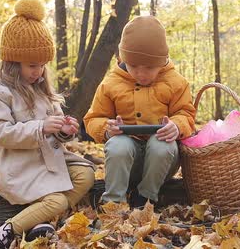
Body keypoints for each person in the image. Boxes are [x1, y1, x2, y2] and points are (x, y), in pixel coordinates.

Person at [0, 0, 95, 248]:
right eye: (33, 65)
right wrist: (40, 127)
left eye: (43, 65)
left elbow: (53, 133)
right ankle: (3, 233)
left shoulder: (42, 89)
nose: (39, 72)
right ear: (12, 62)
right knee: (56, 200)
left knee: (85, 175)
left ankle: (43, 222)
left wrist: (63, 132)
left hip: (48, 160)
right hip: (18, 165)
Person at [84, 16, 196, 207]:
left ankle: (146, 197)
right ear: (122, 58)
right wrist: (107, 128)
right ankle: (113, 202)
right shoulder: (111, 83)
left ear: (162, 62)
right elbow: (93, 118)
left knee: (162, 144)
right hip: (126, 162)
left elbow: (186, 114)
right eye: (133, 66)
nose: (141, 74)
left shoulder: (176, 82)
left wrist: (176, 126)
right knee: (118, 144)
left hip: (163, 162)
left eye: (150, 68)